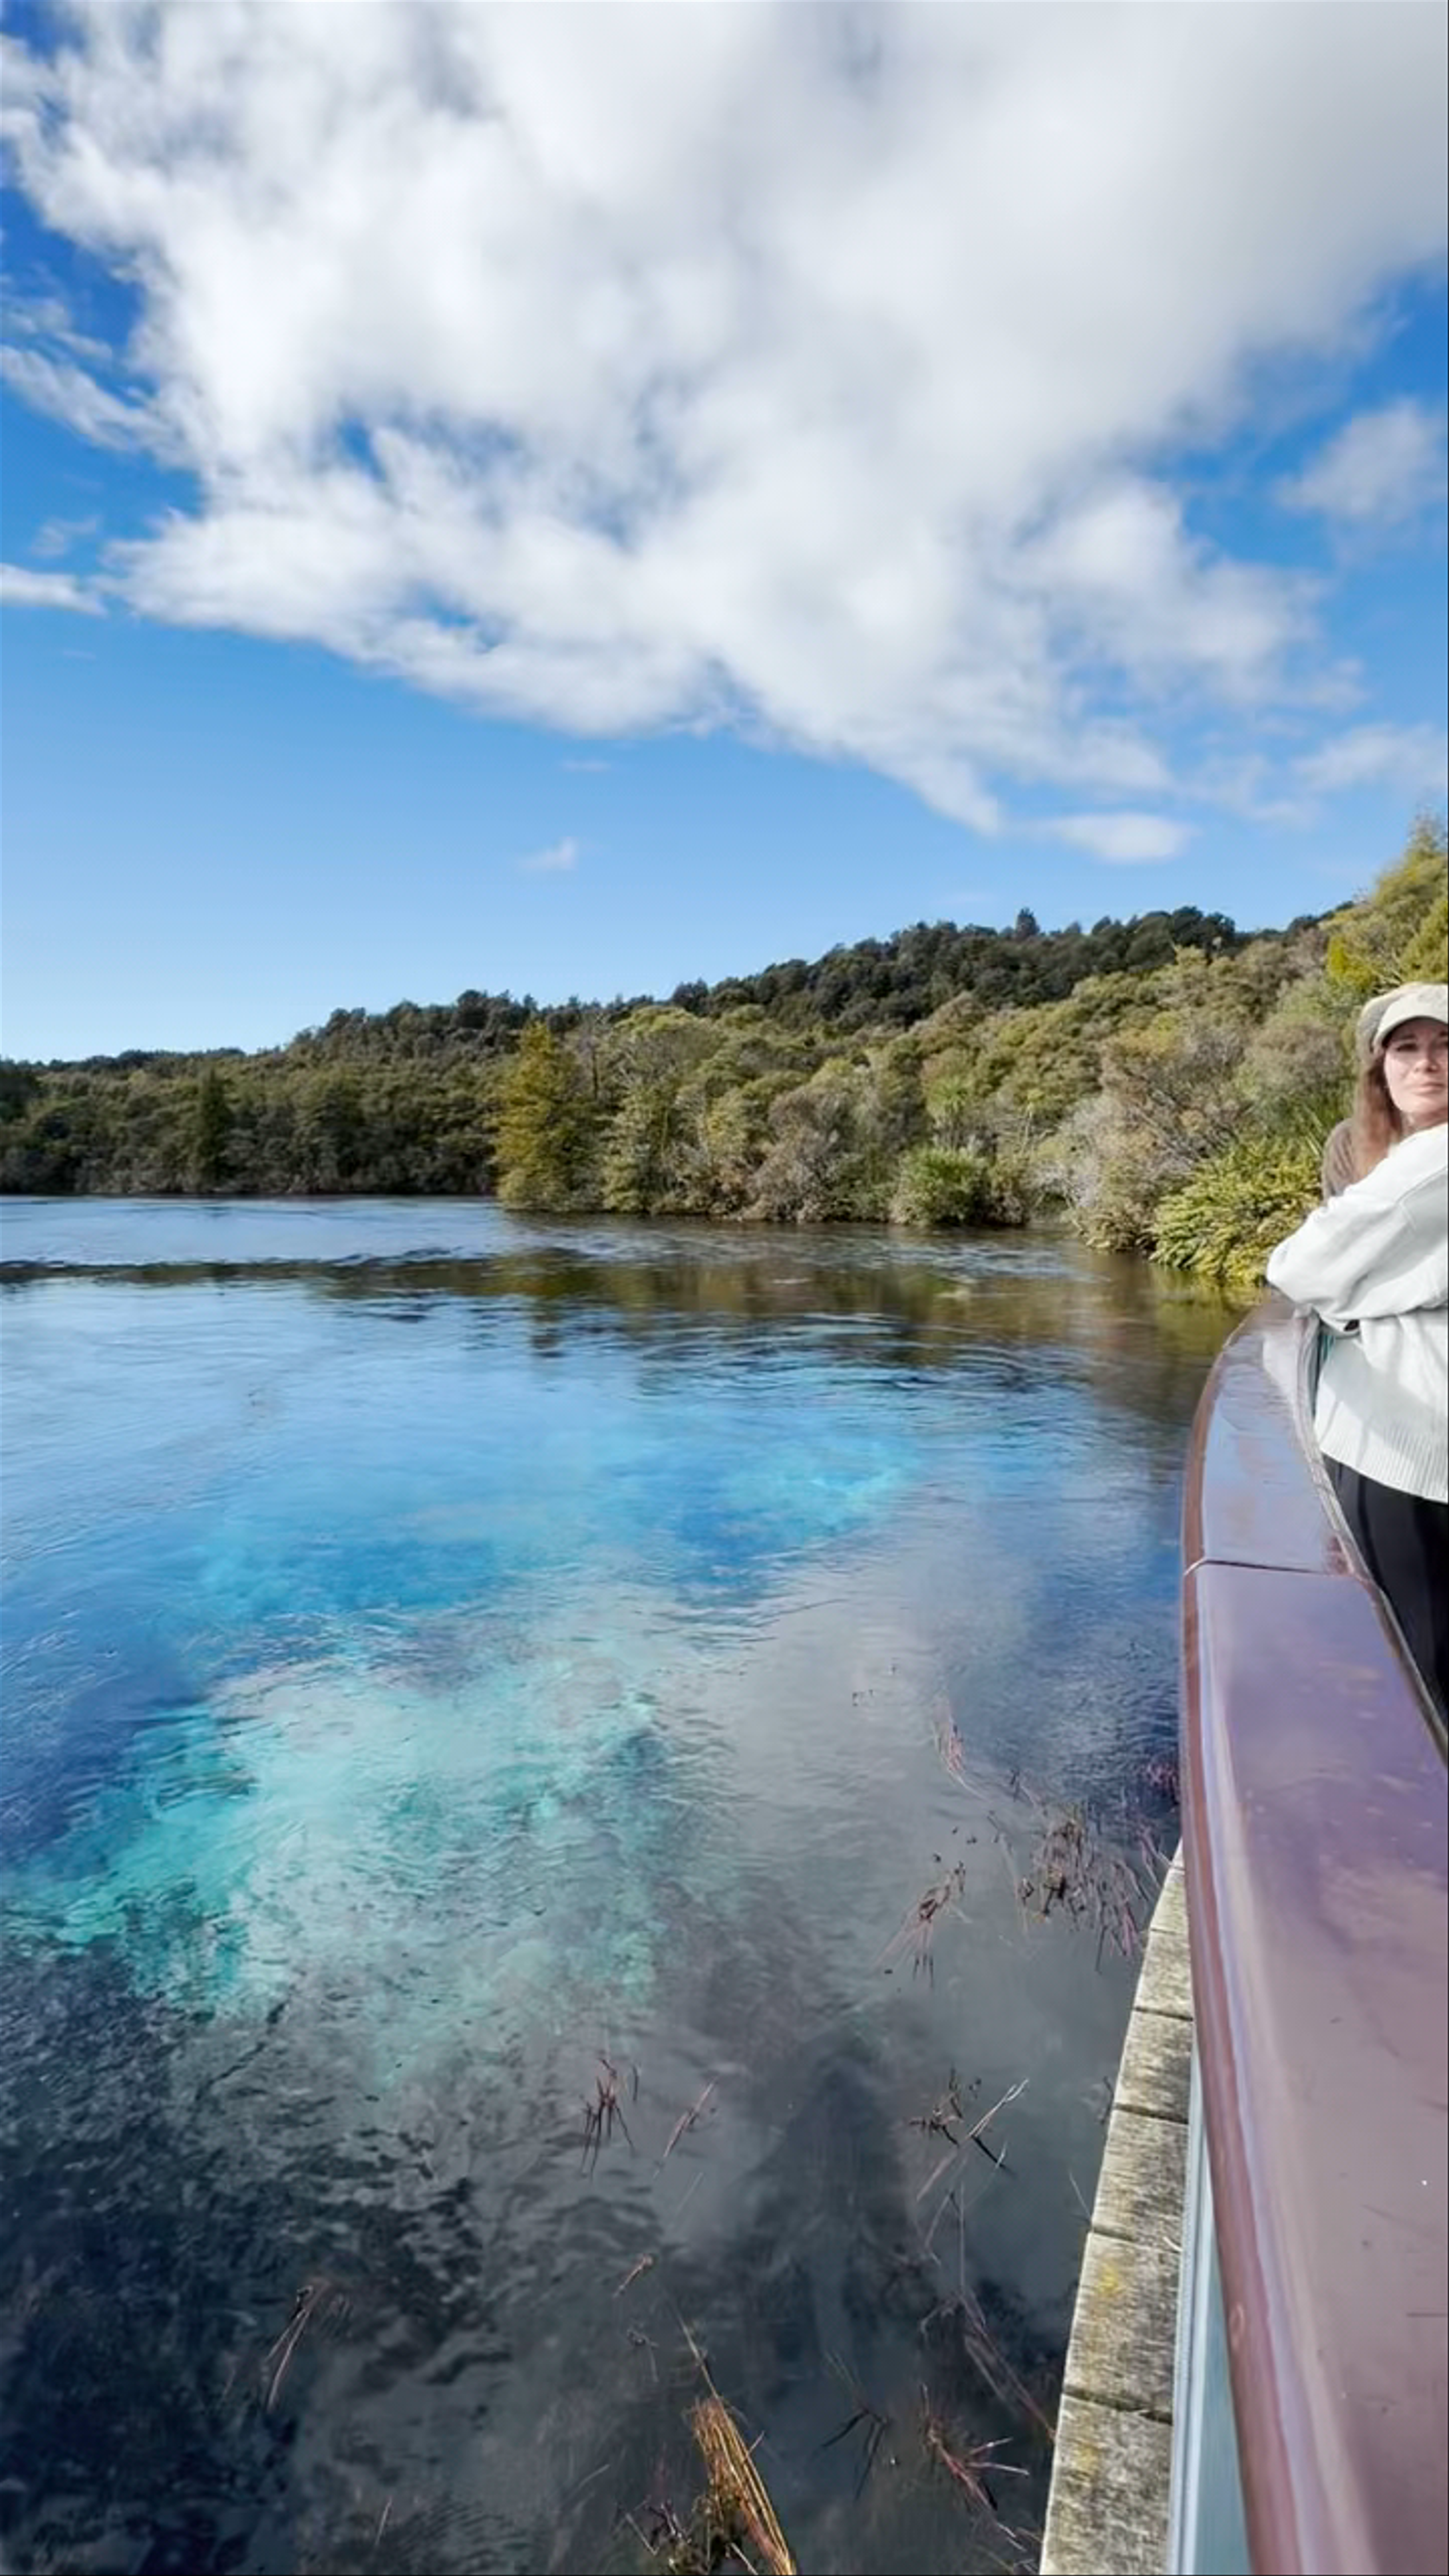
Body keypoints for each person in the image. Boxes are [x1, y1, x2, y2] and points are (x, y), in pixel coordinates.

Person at [1266, 980, 1448, 1718]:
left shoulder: (1428, 1162)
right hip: (1415, 1440)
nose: (1427, 1064)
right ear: (1381, 1070)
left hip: (1403, 1444)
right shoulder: (1399, 1155)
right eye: (1407, 1048)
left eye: (1445, 1047)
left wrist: (1361, 1298)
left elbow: (1298, 1269)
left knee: (1413, 1658)